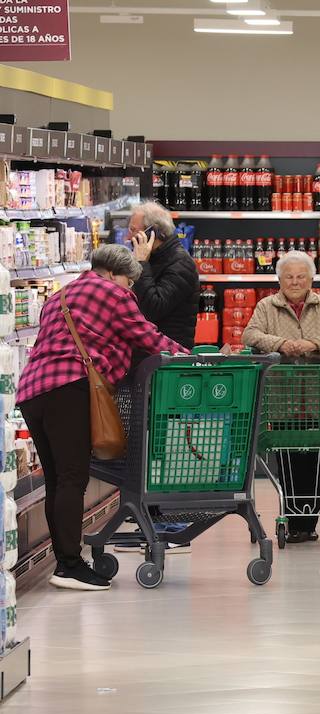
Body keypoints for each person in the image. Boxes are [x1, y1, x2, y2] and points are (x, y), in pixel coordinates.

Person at [15, 245, 187, 590]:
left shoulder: (58, 297)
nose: (129, 289)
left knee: (58, 479)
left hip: (34, 391)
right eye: (129, 282)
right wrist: (190, 358)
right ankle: (69, 566)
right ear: (113, 274)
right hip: (69, 387)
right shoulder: (113, 293)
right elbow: (147, 336)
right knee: (72, 478)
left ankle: (66, 560)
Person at [241, 250, 320, 542]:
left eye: (301, 276)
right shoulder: (266, 306)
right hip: (282, 400)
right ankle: (293, 520)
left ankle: (309, 522)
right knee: (288, 459)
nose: (295, 281)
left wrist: (313, 344)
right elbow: (249, 335)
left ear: (311, 279)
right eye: (289, 276)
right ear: (279, 279)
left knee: (315, 460)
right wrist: (282, 344)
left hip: (319, 399)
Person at [127, 202, 199, 349]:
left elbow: (153, 309)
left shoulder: (181, 264)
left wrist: (141, 264)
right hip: (150, 351)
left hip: (169, 357)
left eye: (133, 230)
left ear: (153, 232)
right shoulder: (153, 258)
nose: (129, 237)